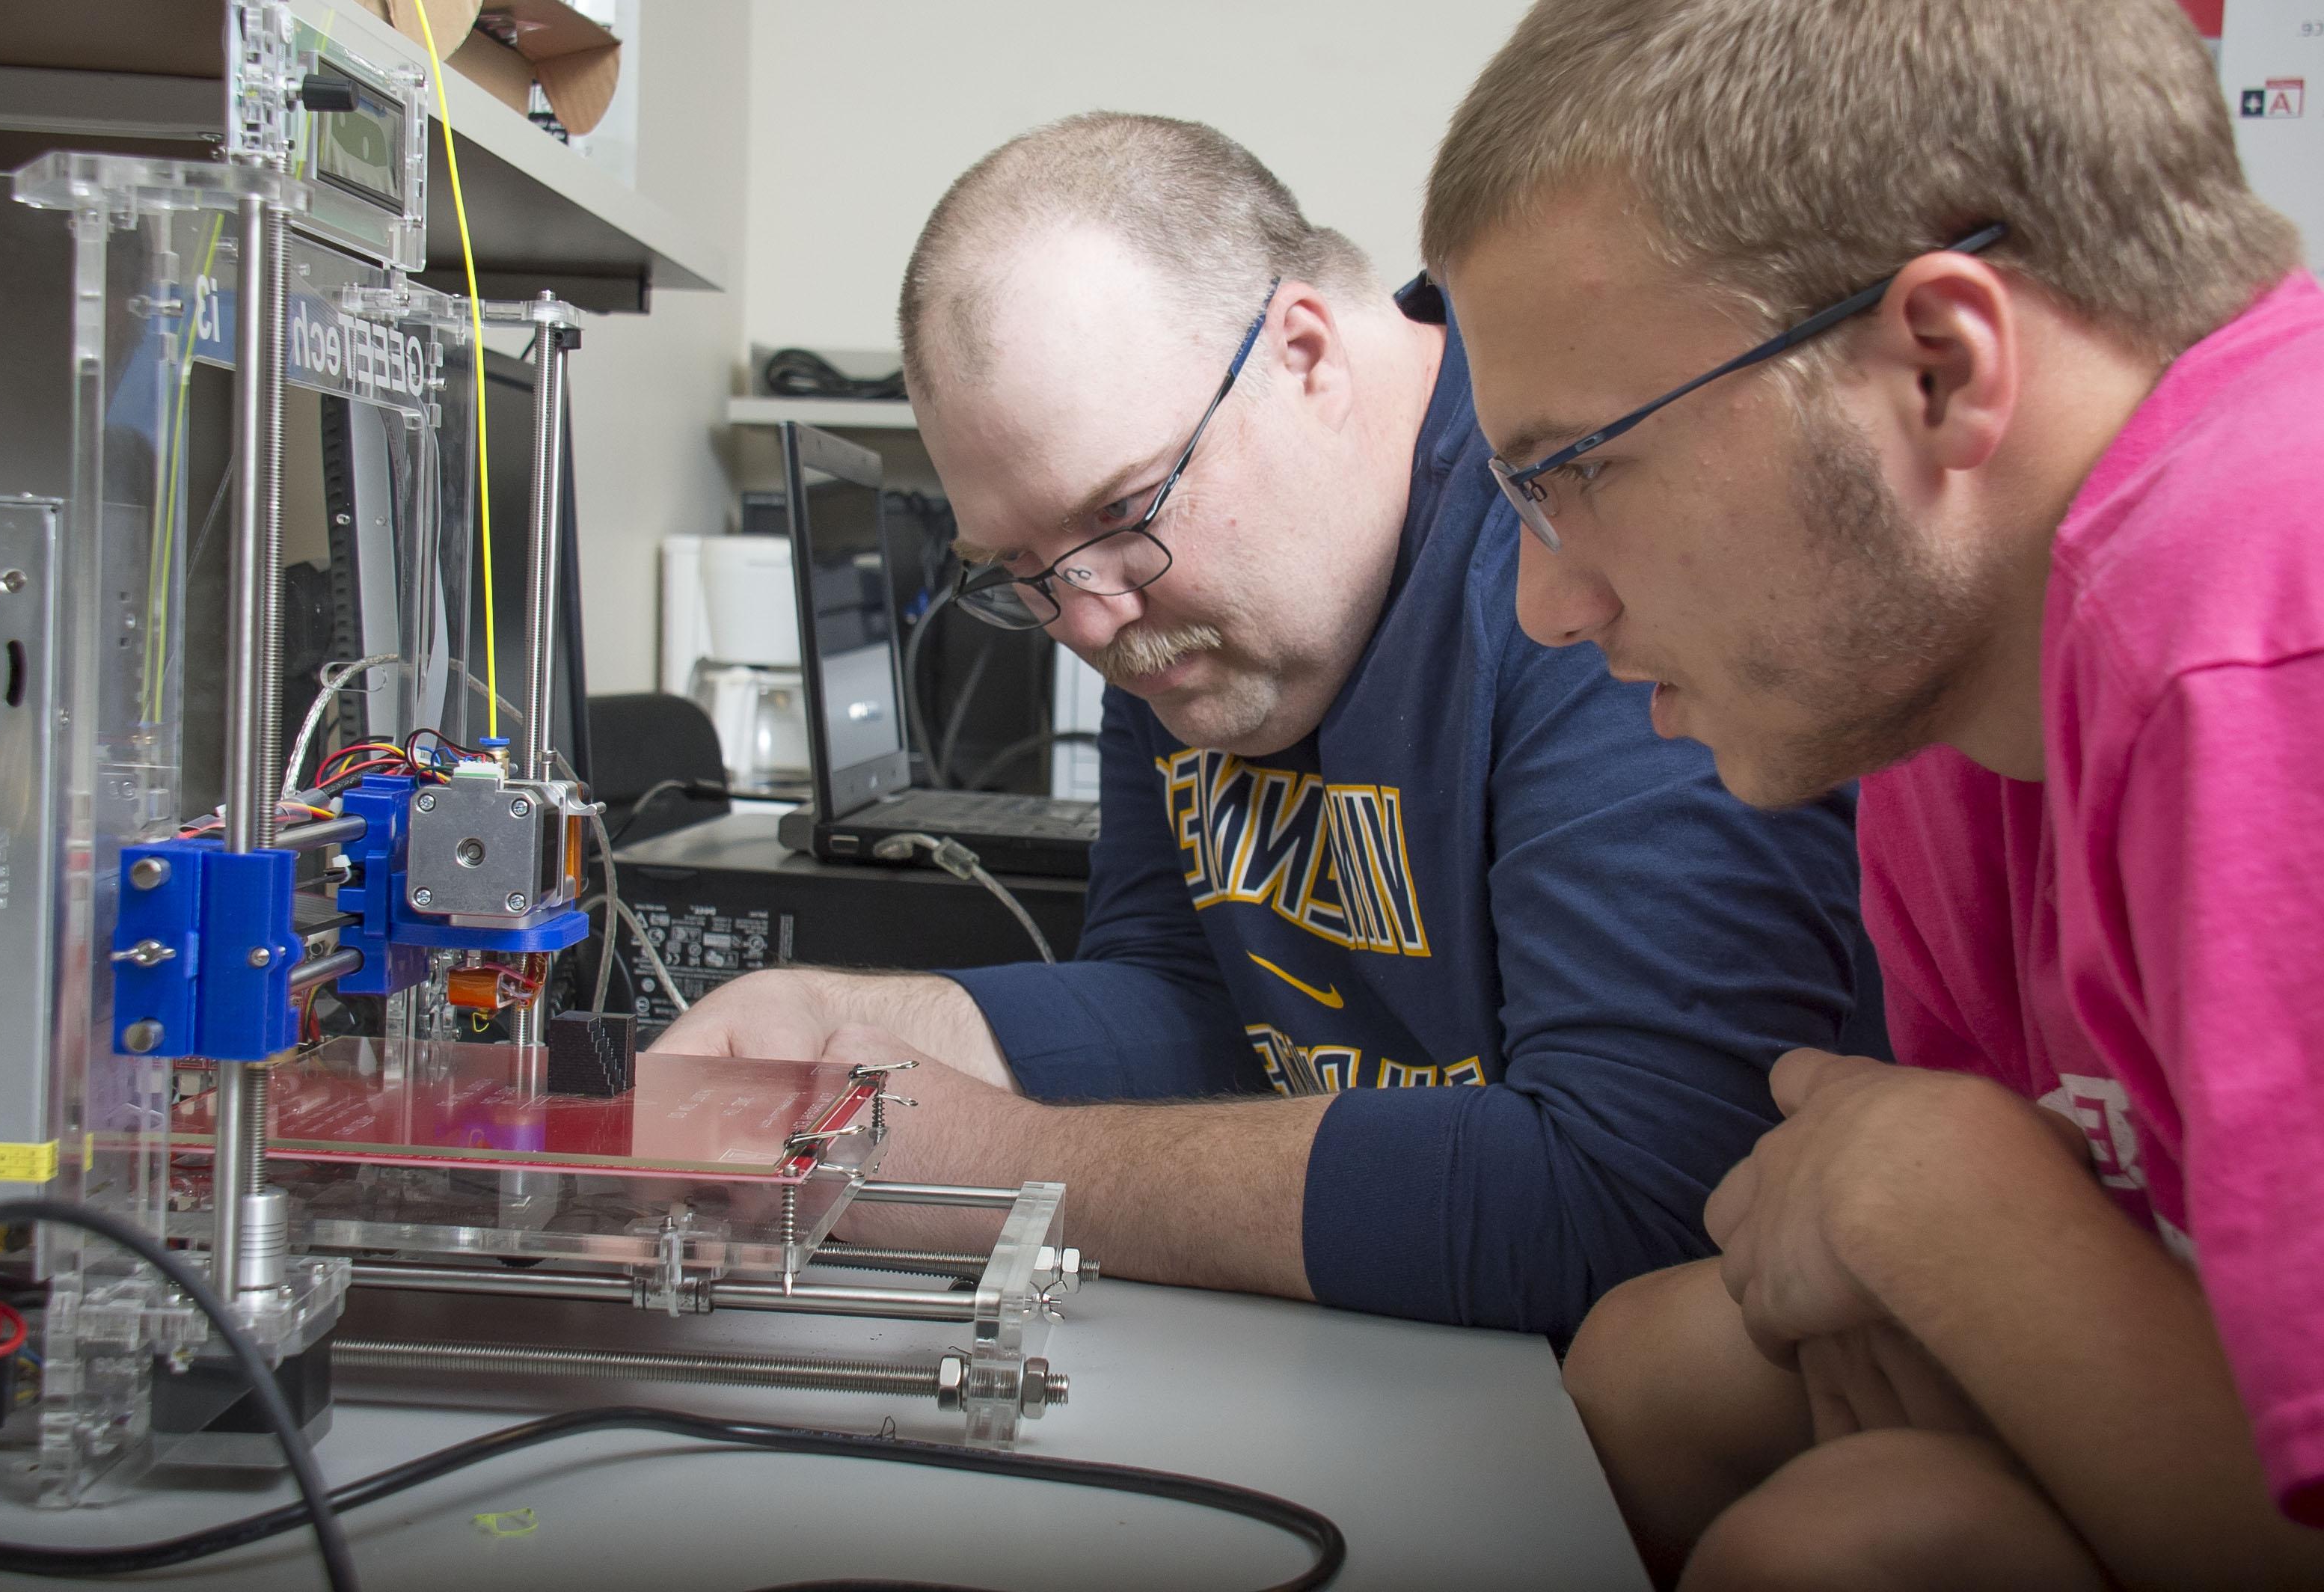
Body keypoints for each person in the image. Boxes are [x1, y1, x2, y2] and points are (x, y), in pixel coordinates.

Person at [663, 112, 1879, 1335]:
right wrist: (850, 1033)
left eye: (1127, 509)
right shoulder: (1156, 604)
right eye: (1024, 568)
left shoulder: (1578, 547)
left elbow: (1645, 1197)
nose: (1088, 623)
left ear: (1303, 353)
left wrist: (988, 1165)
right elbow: (1195, 1003)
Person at [1424, 0, 2324, 1584]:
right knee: (1651, 1375)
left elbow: (1951, 1215)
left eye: (1580, 470)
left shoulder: (2256, 622)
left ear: (1933, 367)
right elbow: (1956, 1339)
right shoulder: (1942, 680)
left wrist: (1930, 1191)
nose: (1547, 608)